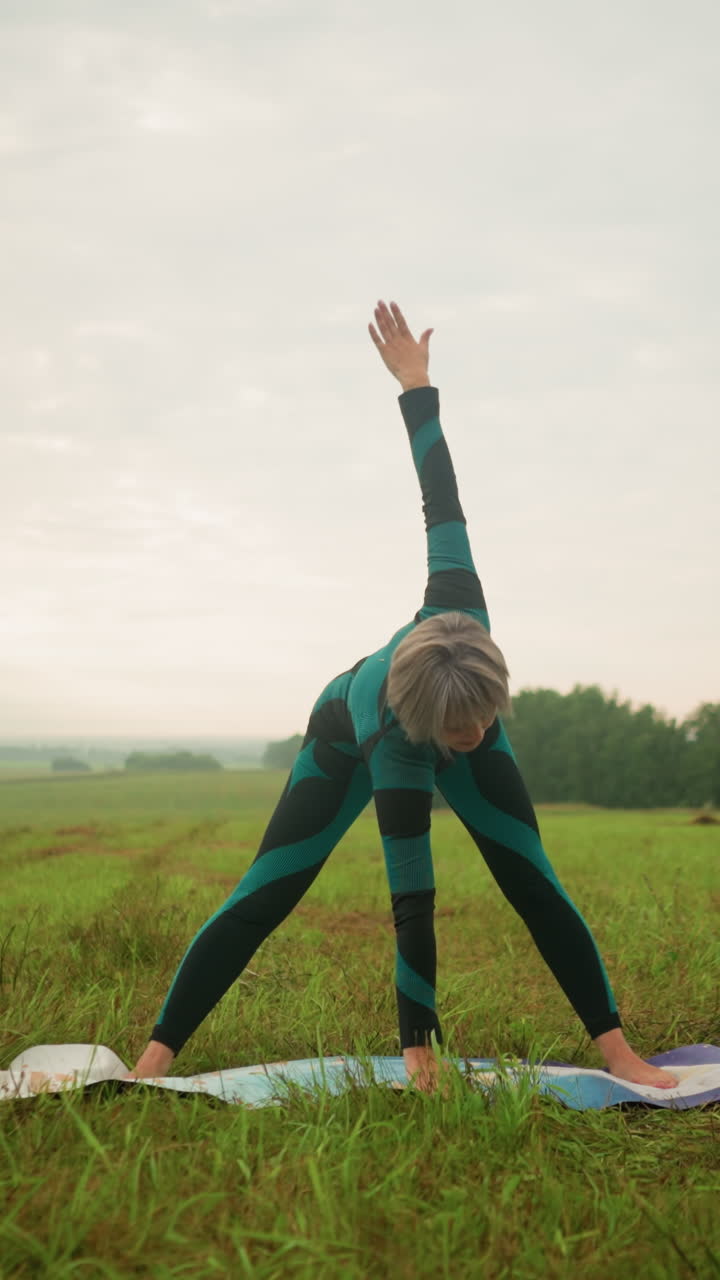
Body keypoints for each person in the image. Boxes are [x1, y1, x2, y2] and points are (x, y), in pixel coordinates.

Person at [129, 300, 679, 1092]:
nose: (479, 732)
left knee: (533, 879)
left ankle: (620, 1048)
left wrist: (416, 385)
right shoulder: (395, 742)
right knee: (267, 893)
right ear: (429, 727)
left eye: (488, 715)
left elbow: (439, 490)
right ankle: (153, 1061)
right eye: (462, 731)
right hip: (347, 735)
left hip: (429, 693)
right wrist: (420, 1056)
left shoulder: (461, 601)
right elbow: (411, 900)